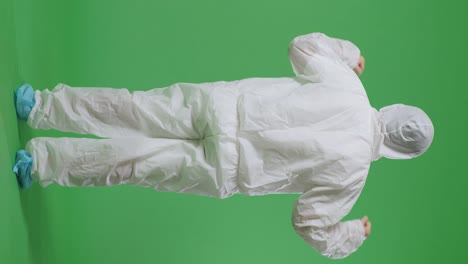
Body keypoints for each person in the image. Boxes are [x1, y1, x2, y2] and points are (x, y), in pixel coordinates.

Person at [12, 32, 434, 259]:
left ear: (395, 111)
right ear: (400, 152)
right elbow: (309, 223)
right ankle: (39, 164)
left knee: (133, 108)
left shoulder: (349, 84)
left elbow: (301, 46)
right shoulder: (353, 175)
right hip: (227, 168)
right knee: (134, 164)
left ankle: (39, 105)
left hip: (223, 105)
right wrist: (352, 235)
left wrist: (349, 53)